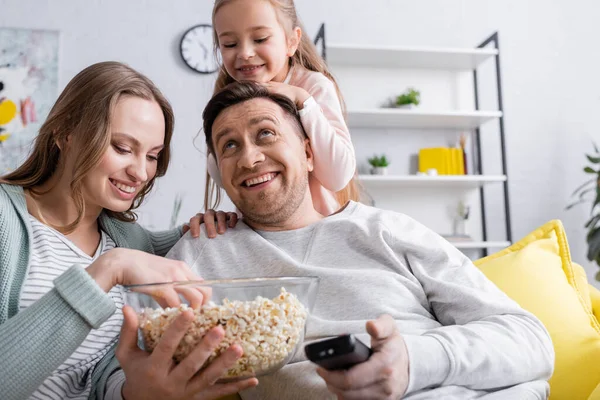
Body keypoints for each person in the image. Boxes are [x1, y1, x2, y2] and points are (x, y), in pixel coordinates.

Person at [167, 81, 555, 400]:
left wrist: (411, 362)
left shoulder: (388, 230)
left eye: (265, 133)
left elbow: (531, 341)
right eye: (229, 145)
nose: (249, 158)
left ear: (307, 153)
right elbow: (125, 370)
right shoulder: (203, 253)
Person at [0, 61, 257, 400]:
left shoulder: (132, 242)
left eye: (152, 155)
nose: (140, 172)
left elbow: (99, 377)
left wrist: (133, 391)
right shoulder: (7, 219)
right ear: (64, 133)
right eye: (122, 148)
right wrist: (107, 270)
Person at [204, 0, 358, 216]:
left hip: (314, 226)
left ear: (292, 41)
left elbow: (337, 176)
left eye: (260, 39)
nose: (245, 53)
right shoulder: (228, 98)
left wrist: (304, 103)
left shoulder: (312, 87)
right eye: (230, 44)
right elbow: (223, 176)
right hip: (258, 228)